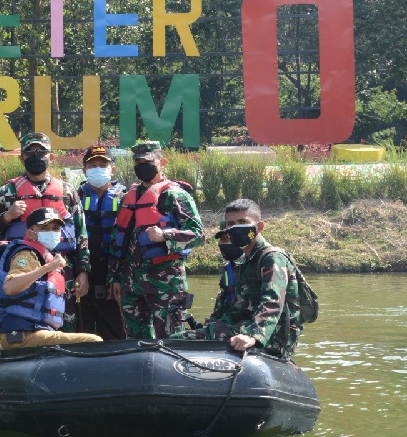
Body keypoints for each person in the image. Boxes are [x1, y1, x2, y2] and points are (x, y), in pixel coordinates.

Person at [0, 132, 90, 332]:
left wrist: (83, 272)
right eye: (30, 152)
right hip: (23, 267)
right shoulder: (8, 192)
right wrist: (7, 216)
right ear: (21, 158)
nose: (36, 156)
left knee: (64, 324)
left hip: (61, 268)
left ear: (51, 156)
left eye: (42, 152)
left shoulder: (67, 191)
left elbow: (81, 234)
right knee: (24, 321)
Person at [173, 199, 303, 359]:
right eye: (231, 224)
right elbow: (237, 308)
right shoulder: (244, 262)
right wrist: (212, 326)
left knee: (182, 341)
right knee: (179, 338)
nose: (236, 228)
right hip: (243, 327)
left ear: (259, 227)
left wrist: (253, 335)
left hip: (273, 337)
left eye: (243, 222)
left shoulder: (272, 258)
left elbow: (272, 302)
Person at [108, 140, 205, 339]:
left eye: (148, 161)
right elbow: (118, 241)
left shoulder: (175, 195)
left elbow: (198, 234)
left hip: (165, 283)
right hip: (131, 284)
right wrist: (116, 277)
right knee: (135, 342)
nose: (142, 166)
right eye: (138, 162)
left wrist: (166, 235)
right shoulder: (129, 197)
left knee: (171, 340)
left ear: (162, 162)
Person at [0, 207, 103, 349]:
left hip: (33, 332)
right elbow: (9, 287)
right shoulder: (27, 254)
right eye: (44, 228)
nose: (51, 232)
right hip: (23, 336)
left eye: (55, 228)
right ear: (29, 233)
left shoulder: (45, 256)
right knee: (94, 341)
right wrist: (48, 267)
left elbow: (12, 305)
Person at [76, 144, 127, 340]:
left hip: (114, 274)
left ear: (112, 169)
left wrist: (118, 277)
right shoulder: (74, 196)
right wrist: (81, 272)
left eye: (103, 164)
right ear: (84, 170)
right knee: (82, 331)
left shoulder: (125, 197)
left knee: (116, 332)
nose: (98, 168)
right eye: (92, 165)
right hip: (83, 274)